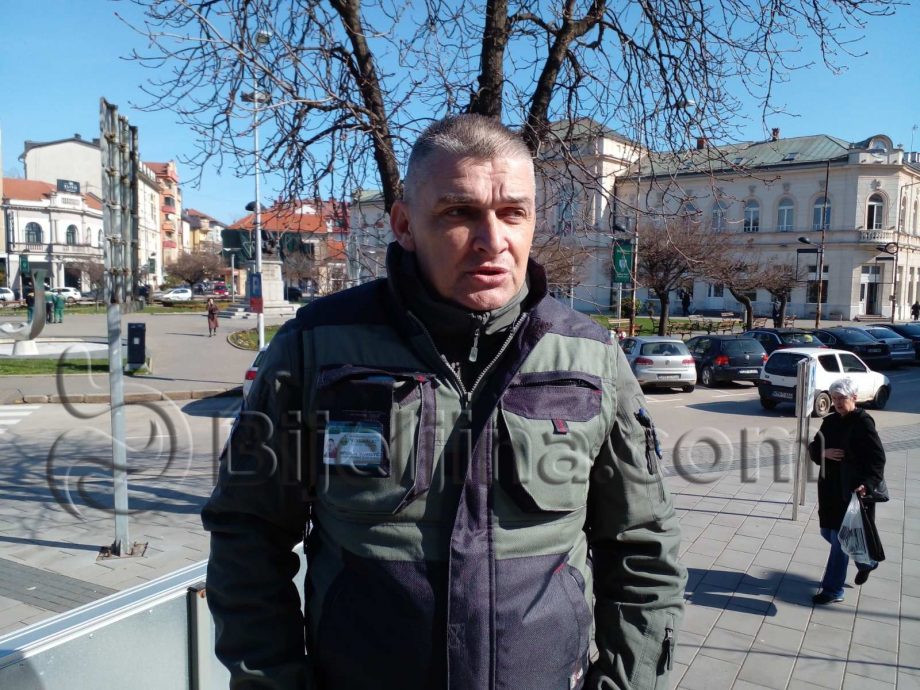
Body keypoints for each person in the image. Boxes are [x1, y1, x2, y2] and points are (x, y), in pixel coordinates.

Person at [202, 114, 686, 690]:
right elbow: (247, 534)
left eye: (513, 212)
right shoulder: (317, 345)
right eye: (459, 212)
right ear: (405, 225)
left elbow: (642, 545)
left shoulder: (591, 355)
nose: (492, 240)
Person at [808, 377, 886, 605]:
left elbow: (878, 459)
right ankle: (867, 562)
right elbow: (814, 446)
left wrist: (867, 484)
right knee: (827, 533)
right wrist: (823, 452)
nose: (837, 403)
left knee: (839, 541)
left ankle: (833, 590)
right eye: (834, 398)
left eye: (842, 398)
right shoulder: (830, 421)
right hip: (829, 490)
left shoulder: (863, 422)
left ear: (854, 397)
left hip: (851, 491)